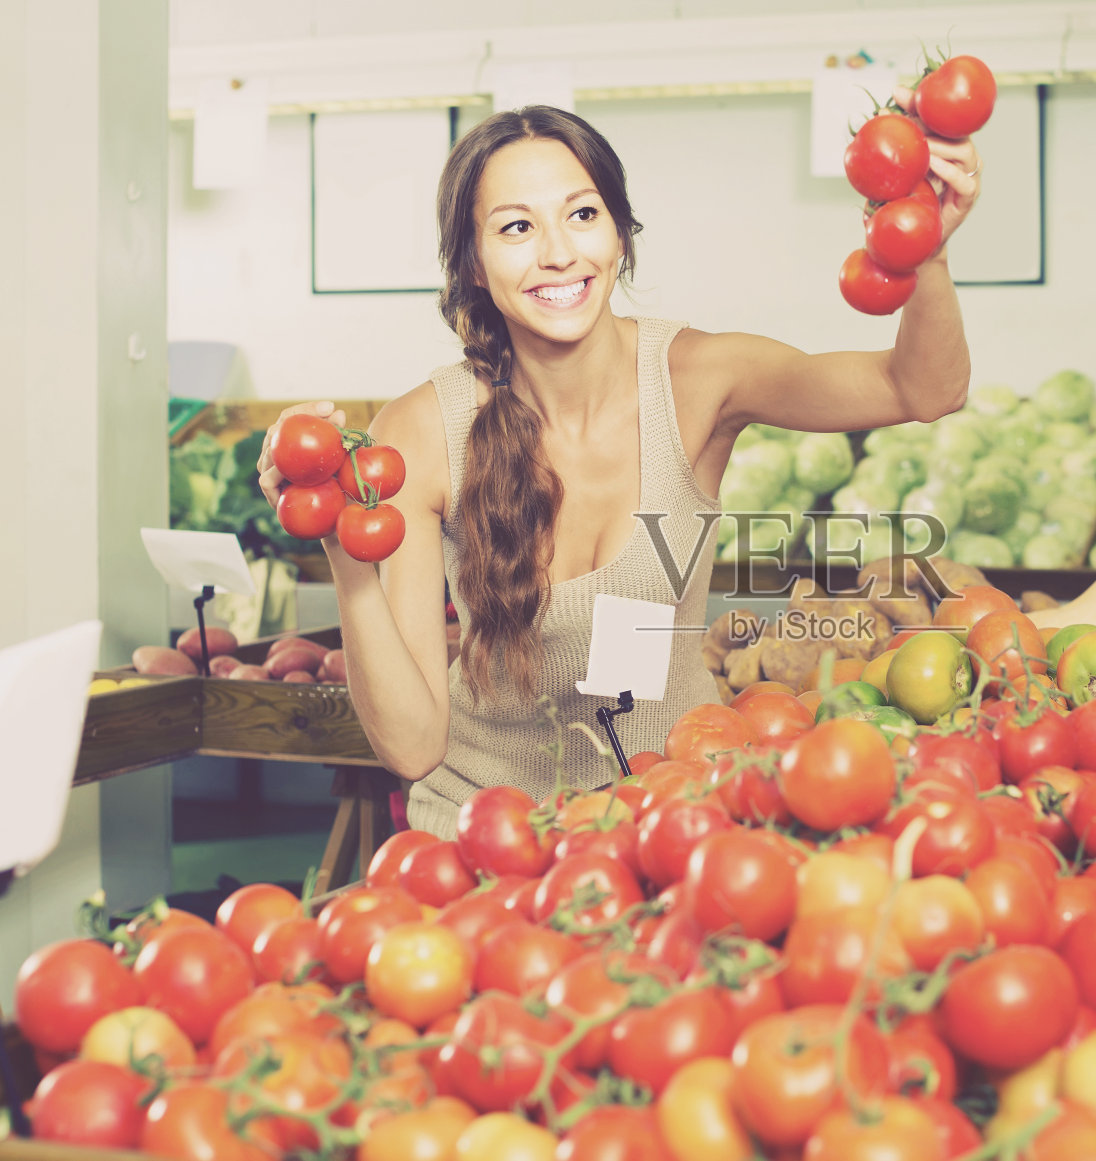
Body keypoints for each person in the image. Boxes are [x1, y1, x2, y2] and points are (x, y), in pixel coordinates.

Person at [259, 100, 980, 838]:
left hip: (668, 826)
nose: (558, 253)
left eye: (582, 214)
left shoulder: (699, 379)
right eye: (516, 227)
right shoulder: (420, 432)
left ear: (620, 235)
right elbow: (413, 747)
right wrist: (343, 550)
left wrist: (925, 250)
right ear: (473, 262)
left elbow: (922, 389)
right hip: (487, 836)